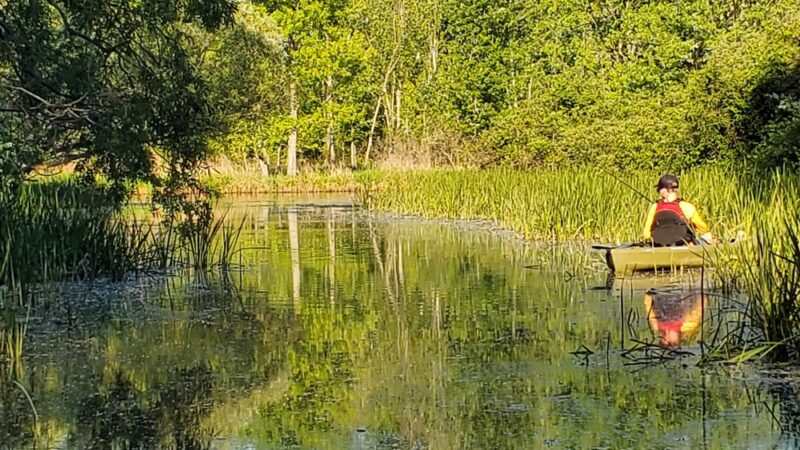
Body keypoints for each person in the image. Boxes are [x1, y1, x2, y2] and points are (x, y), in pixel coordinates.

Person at [643, 174, 712, 246]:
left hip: (660, 244)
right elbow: (703, 228)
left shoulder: (655, 207)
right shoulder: (686, 206)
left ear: (663, 190)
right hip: (683, 244)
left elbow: (646, 233)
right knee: (708, 236)